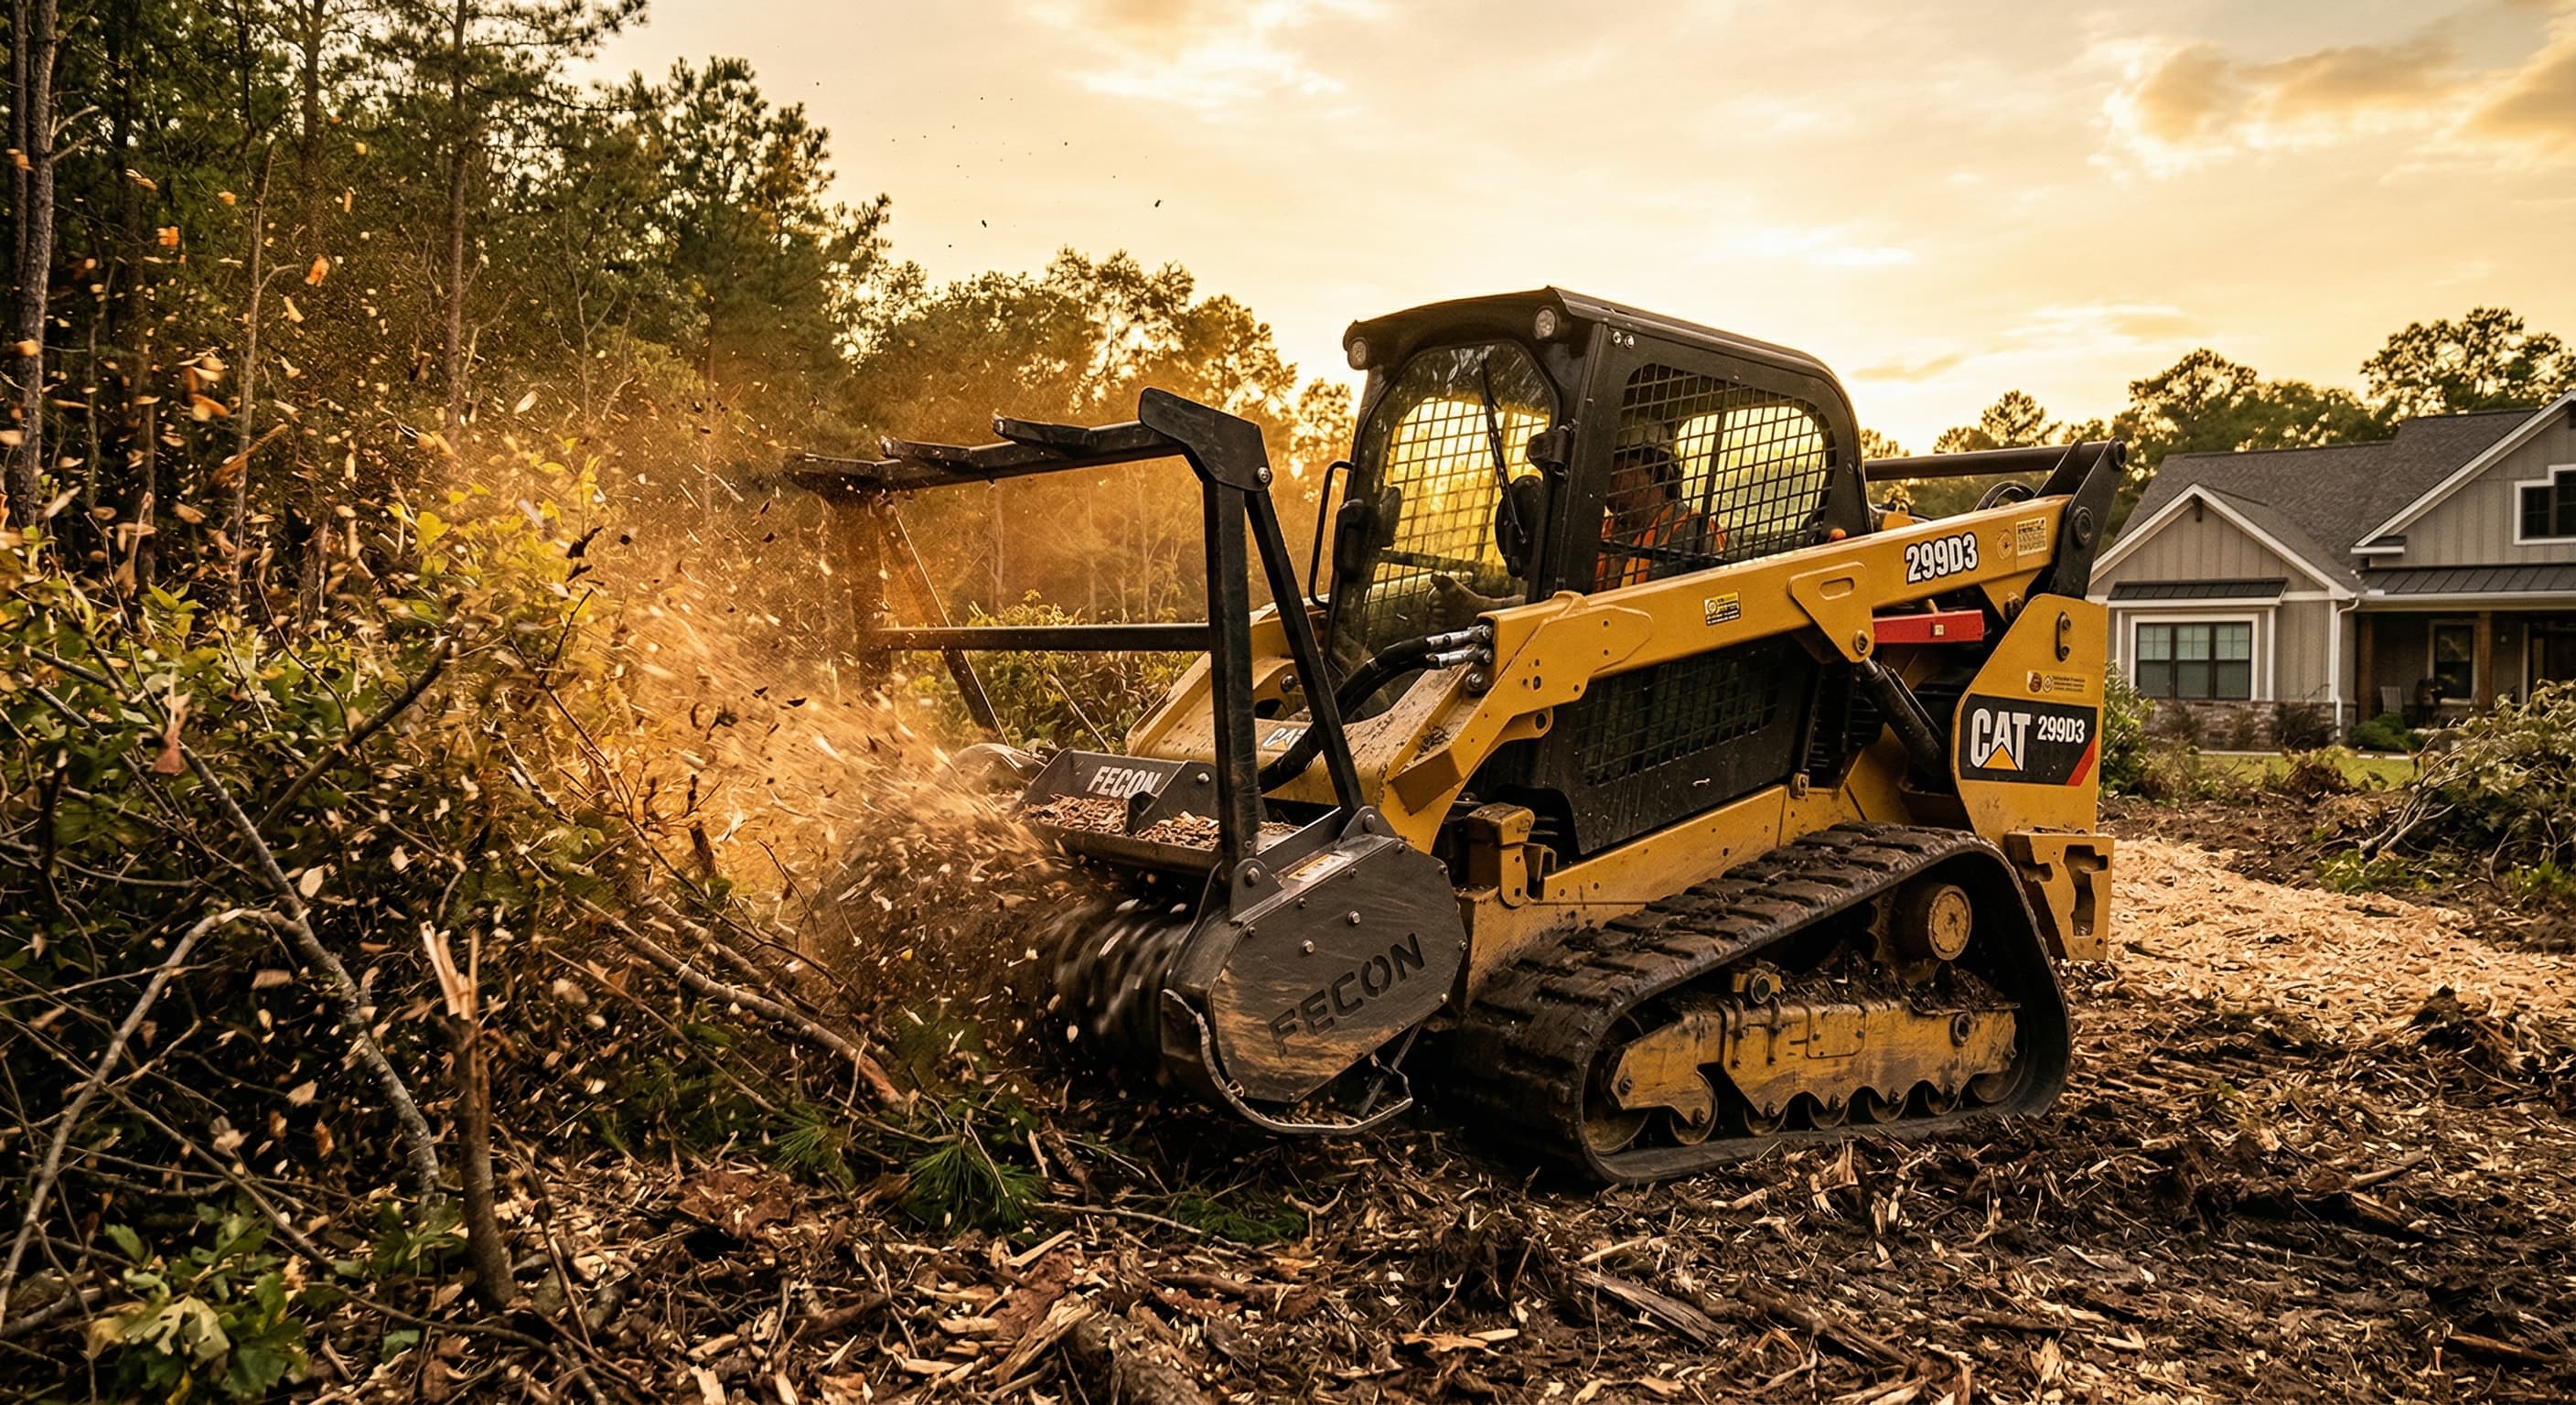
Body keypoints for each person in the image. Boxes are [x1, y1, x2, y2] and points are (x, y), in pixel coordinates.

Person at [1596, 437, 1722, 589]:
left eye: (1622, 469)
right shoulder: (1605, 529)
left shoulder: (1689, 532)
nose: (1609, 481)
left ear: (1654, 472)